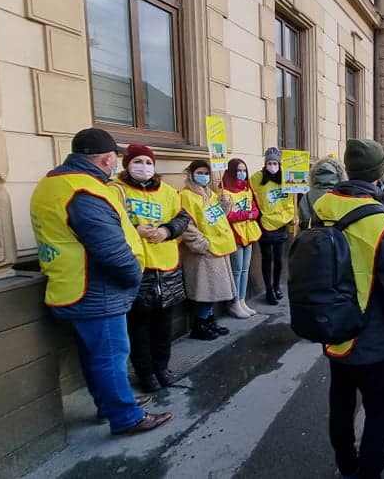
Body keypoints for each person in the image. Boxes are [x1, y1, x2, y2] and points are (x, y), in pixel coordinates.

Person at [30, 128, 172, 435]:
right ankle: (126, 416)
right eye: (116, 159)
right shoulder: (84, 191)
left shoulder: (54, 183)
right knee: (111, 355)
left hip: (72, 283)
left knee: (95, 354)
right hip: (96, 287)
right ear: (108, 158)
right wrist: (134, 277)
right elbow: (110, 248)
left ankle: (110, 403)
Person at [315, 139, 384, 479]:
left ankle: (346, 467)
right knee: (378, 411)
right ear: (380, 174)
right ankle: (369, 472)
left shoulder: (321, 207)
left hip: (332, 326)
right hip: (370, 334)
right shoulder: (378, 221)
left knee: (340, 406)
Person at [110, 144, 190, 394]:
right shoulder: (115, 190)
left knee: (163, 325)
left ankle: (163, 368)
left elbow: (182, 217)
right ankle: (145, 373)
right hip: (137, 268)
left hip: (166, 267)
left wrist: (167, 230)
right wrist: (134, 230)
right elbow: (106, 224)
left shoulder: (167, 191)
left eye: (148, 162)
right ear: (127, 164)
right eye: (138, 161)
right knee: (139, 327)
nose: (144, 167)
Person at [180, 160, 245, 341]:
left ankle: (209, 320)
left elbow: (218, 216)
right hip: (203, 251)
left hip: (217, 246)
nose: (204, 176)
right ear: (191, 173)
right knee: (204, 291)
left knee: (214, 290)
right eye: (200, 172)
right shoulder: (186, 196)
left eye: (207, 173)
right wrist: (202, 244)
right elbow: (186, 224)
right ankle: (199, 324)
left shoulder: (210, 193)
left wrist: (225, 203)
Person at [251, 147, 297, 305]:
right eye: (269, 163)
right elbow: (250, 196)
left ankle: (277, 286)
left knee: (278, 259)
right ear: (265, 164)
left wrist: (292, 216)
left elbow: (291, 199)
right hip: (264, 225)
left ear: (279, 163)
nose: (272, 166)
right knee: (267, 258)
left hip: (282, 223)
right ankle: (268, 290)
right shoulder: (257, 178)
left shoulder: (286, 177)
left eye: (275, 163)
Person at [220, 158, 261, 317]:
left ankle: (242, 300)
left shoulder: (247, 189)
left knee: (245, 270)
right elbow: (228, 216)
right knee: (236, 271)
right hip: (234, 235)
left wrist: (247, 215)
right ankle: (234, 302)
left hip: (248, 233)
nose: (242, 173)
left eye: (244, 170)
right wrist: (247, 215)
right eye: (238, 170)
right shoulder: (224, 192)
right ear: (231, 171)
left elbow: (255, 210)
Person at [298, 156, 348, 230]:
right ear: (339, 175)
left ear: (313, 175)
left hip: (314, 236)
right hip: (337, 236)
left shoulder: (307, 196)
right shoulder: (343, 194)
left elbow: (304, 220)